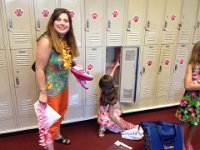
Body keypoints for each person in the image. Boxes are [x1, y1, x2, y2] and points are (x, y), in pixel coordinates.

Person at [35, 8, 79, 150]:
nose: (62, 23)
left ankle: (58, 136)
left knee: (60, 113)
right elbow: (39, 68)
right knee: (50, 122)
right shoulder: (46, 41)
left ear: (69, 24)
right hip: (51, 89)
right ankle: (50, 147)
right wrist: (43, 92)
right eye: (58, 19)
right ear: (52, 22)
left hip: (63, 85)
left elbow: (62, 60)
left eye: (66, 20)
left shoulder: (64, 39)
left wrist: (75, 65)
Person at [97, 73, 142, 138]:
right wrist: (121, 125)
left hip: (101, 113)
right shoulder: (111, 98)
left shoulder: (102, 91)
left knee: (117, 112)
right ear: (112, 85)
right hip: (107, 116)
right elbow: (111, 116)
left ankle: (102, 127)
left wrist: (115, 66)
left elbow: (108, 80)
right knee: (121, 124)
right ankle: (102, 128)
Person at [175, 41, 200, 150]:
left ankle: (188, 142)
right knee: (183, 121)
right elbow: (187, 85)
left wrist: (194, 84)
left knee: (195, 123)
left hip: (198, 101)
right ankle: (181, 143)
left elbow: (191, 84)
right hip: (189, 99)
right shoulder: (192, 65)